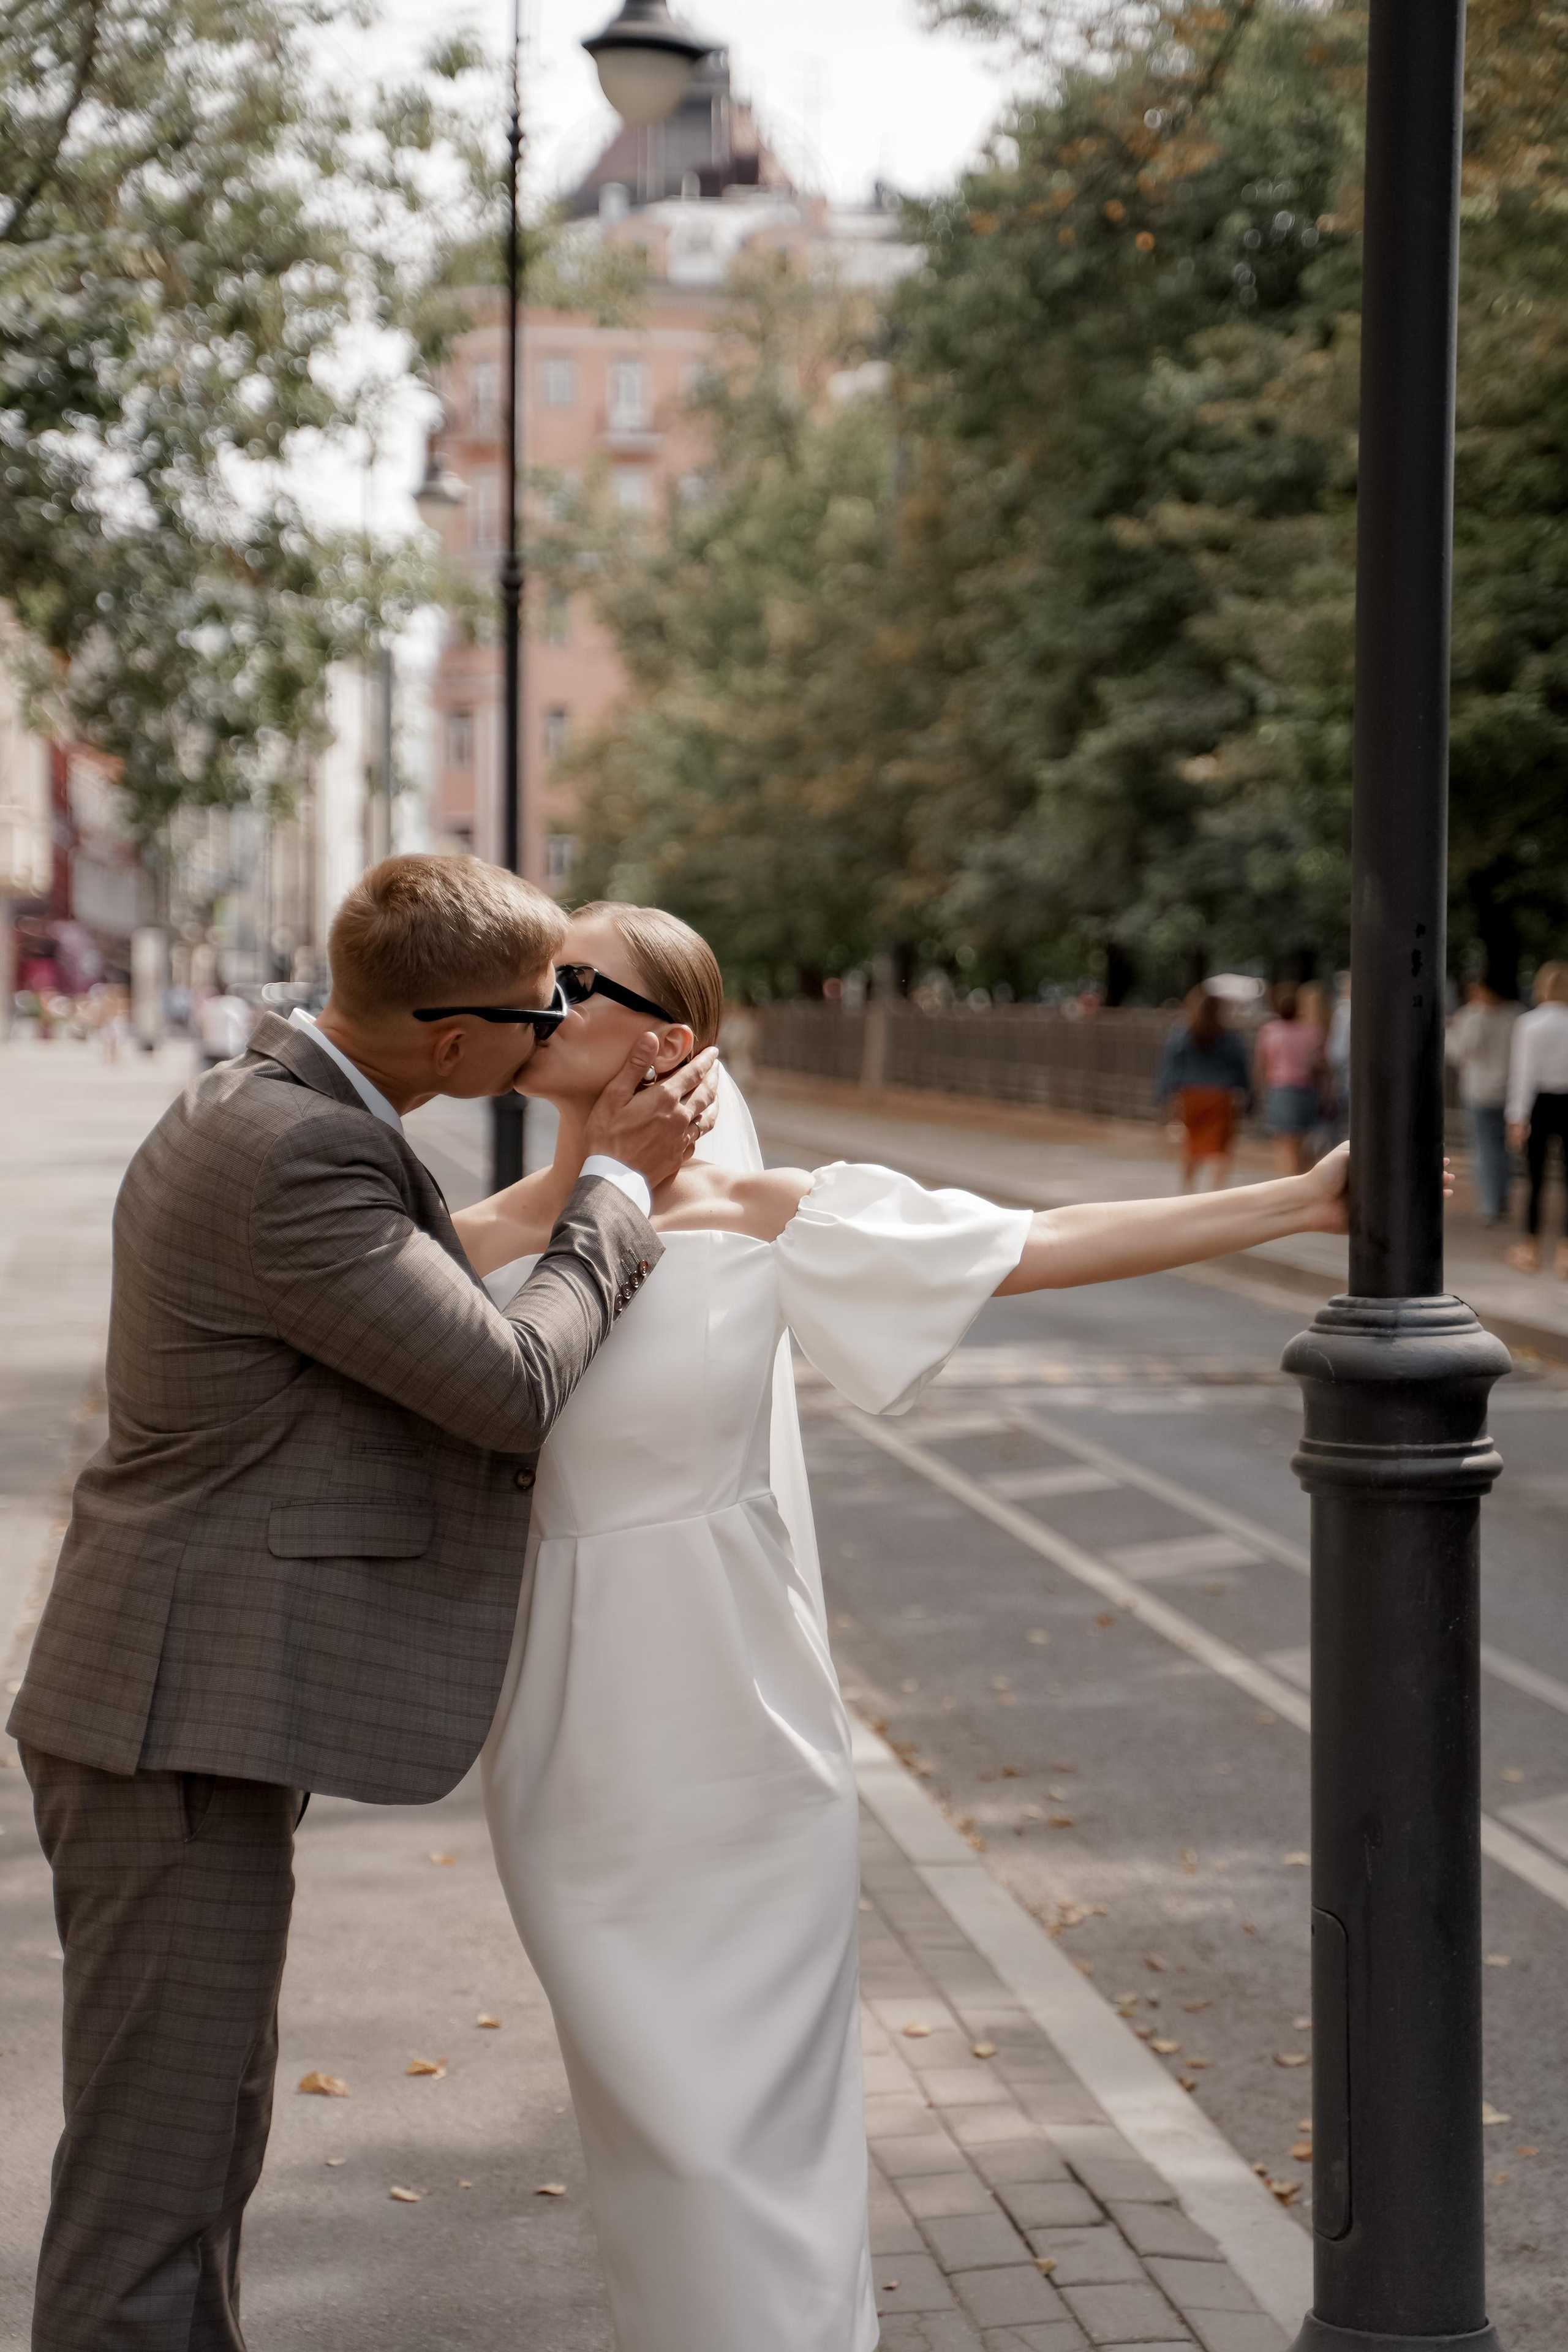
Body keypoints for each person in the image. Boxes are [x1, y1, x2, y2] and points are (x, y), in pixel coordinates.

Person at [454, 900, 1355, 2352]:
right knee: (655, 2134)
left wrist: (1294, 1202)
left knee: (759, 2135)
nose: (532, 997)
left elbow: (1031, 1243)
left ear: (666, 1039)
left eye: (570, 979)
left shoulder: (760, 1217)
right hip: (570, 1739)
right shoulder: (471, 1240)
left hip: (745, 1739)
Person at [7, 854, 720, 2352]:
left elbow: (418, 1286)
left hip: (179, 1702)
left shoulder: (280, 1111)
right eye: (539, 1018)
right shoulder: (296, 1154)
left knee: (197, 2138)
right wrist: (614, 1190)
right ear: (452, 1044)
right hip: (171, 1711)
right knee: (158, 2171)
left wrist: (579, 1176)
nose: (555, 1038)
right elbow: (507, 1384)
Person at [1153, 984, 1253, 1190]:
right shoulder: (1229, 1036)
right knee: (1221, 1148)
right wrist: (1249, 1096)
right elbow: (1240, 1068)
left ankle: (1188, 1190)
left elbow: (1171, 1067)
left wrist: (1163, 1096)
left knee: (1191, 1144)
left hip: (1191, 1095)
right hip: (1220, 1096)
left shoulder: (1182, 1033)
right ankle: (1217, 1192)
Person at [1504, 960, 1568, 1275]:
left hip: (1540, 1103)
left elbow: (1523, 1074)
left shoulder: (1530, 1023)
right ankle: (1565, 1253)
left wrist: (1517, 1116)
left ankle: (1530, 1248)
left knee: (1535, 1179)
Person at [1447, 976, 1520, 1226]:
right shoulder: (1516, 1014)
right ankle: (1501, 1198)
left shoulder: (1472, 1016)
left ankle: (1490, 1204)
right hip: (1509, 1089)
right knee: (1503, 1148)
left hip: (1478, 1091)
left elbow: (1460, 1052)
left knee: (1484, 1148)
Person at [1253, 981, 1326, 1175]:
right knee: (1303, 1143)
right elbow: (1319, 1063)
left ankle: (1289, 1184)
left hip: (1281, 1089)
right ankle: (1303, 1181)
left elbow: (1262, 1064)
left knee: (1284, 1144)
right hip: (1307, 1091)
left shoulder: (1270, 1031)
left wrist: (1262, 1091)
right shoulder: (1311, 1031)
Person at [194, 984, 256, 1070]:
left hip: (210, 1046)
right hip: (228, 1048)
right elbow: (242, 1026)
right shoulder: (234, 1004)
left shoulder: (208, 1005)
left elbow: (200, 1023)